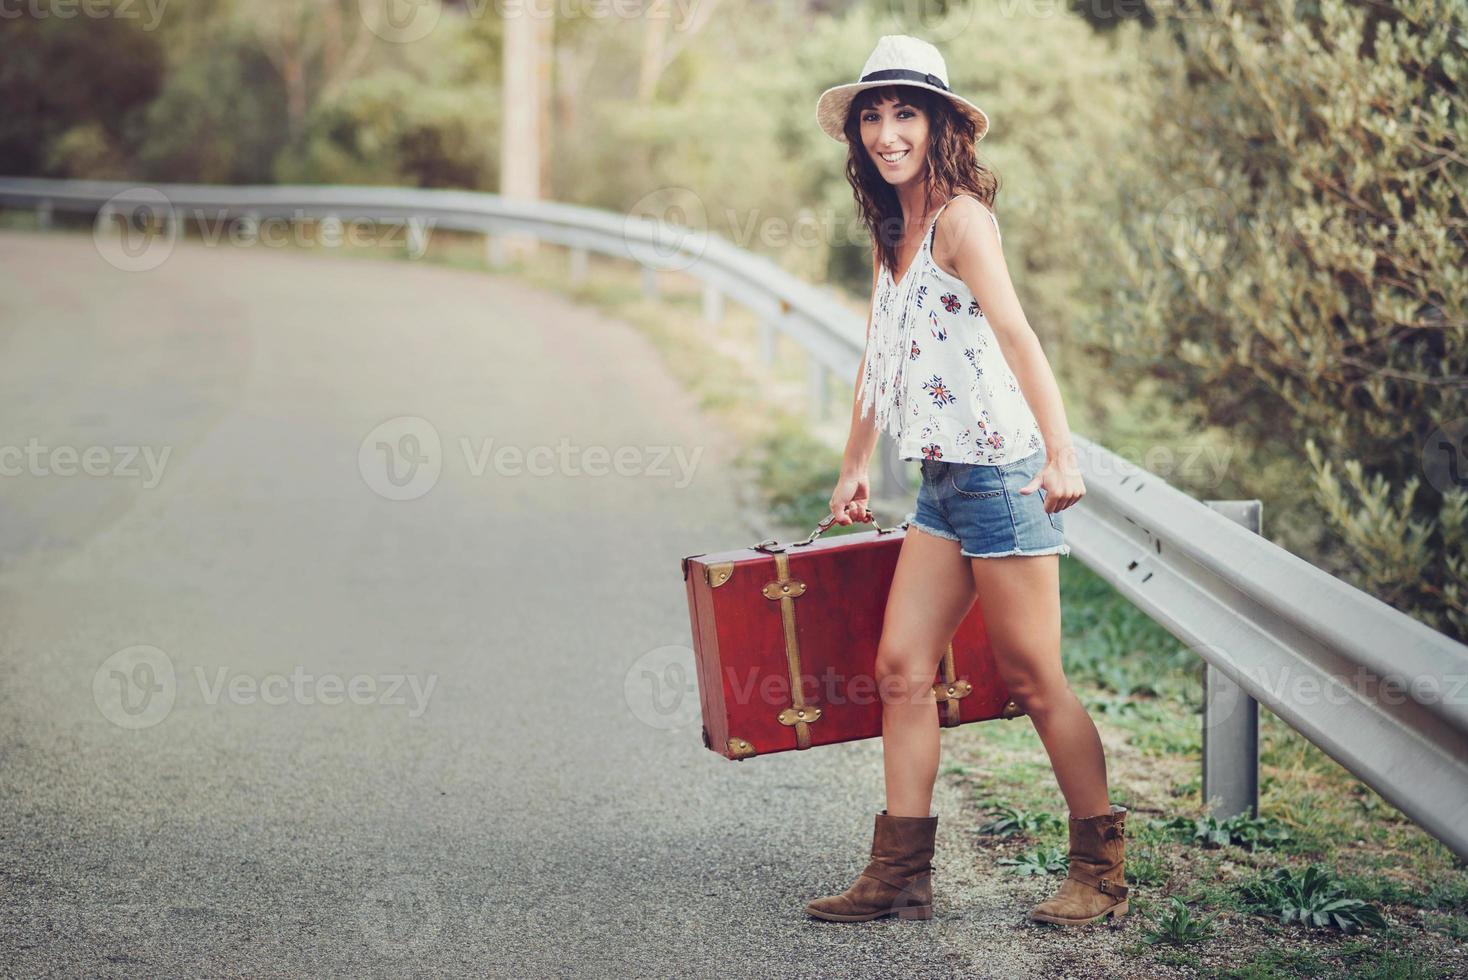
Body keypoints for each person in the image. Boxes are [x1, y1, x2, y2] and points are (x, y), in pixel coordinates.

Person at [803, 35, 1129, 927]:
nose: (885, 130)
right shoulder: (894, 227)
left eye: (904, 111)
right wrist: (852, 464)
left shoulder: (961, 221)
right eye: (872, 114)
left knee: (1034, 680)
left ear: (940, 122)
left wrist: (1062, 455)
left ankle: (1099, 872)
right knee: (902, 670)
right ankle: (899, 876)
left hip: (1001, 477)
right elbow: (881, 353)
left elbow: (1020, 337)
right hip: (942, 484)